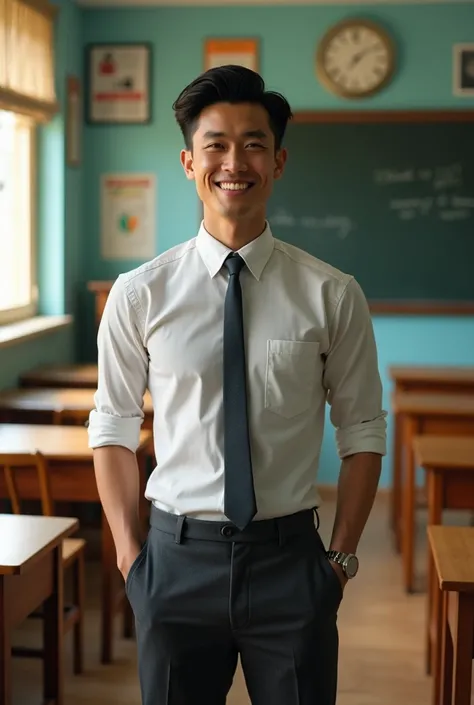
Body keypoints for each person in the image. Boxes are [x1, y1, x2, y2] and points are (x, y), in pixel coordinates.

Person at [88, 64, 387, 705]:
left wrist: (338, 562)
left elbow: (363, 431)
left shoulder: (332, 294)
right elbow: (111, 425)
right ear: (189, 162)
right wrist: (130, 557)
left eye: (253, 143)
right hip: (173, 562)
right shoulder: (140, 294)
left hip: (290, 564)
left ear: (278, 162)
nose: (234, 161)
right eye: (215, 144)